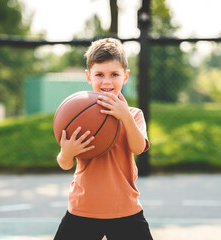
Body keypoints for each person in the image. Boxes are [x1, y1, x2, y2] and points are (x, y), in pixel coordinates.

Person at [54, 38, 153, 240]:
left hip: (125, 210)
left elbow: (138, 147)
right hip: (83, 210)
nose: (107, 81)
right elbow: (64, 164)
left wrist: (124, 116)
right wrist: (67, 153)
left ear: (125, 77)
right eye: (99, 74)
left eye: (114, 74)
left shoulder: (133, 114)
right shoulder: (78, 115)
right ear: (88, 77)